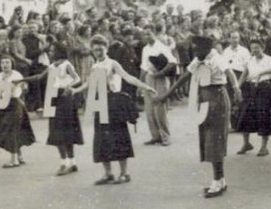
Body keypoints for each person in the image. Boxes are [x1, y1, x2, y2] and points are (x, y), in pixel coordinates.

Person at [163, 36, 236, 198]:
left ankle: (217, 181)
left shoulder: (216, 58)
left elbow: (230, 73)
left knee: (214, 140)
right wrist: (167, 95)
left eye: (197, 49)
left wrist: (237, 89)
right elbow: (185, 77)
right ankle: (221, 179)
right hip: (204, 101)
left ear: (207, 48)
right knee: (208, 140)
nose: (194, 52)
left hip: (217, 99)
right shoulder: (198, 59)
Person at [79, 35, 157, 184]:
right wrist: (74, 91)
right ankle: (108, 173)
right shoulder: (94, 66)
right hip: (99, 102)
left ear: (106, 49)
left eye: (101, 49)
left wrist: (146, 87)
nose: (98, 52)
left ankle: (124, 172)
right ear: (92, 51)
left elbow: (128, 77)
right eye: (95, 50)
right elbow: (88, 83)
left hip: (113, 102)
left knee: (119, 136)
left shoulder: (112, 64)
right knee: (101, 138)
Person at [232, 44, 271, 157]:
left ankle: (264, 147)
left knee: (264, 118)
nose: (254, 50)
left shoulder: (270, 60)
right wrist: (237, 89)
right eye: (252, 48)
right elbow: (243, 76)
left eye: (256, 48)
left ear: (263, 48)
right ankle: (246, 143)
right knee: (245, 115)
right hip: (250, 89)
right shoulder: (250, 60)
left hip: (265, 89)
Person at [41, 47, 84, 175]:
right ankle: (69, 163)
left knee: (63, 130)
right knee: (56, 130)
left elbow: (77, 78)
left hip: (64, 97)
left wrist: (68, 86)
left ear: (59, 51)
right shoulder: (51, 66)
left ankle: (67, 163)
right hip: (52, 95)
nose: (50, 52)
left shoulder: (66, 64)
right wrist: (22, 80)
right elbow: (39, 77)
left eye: (53, 50)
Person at [0, 56, 35, 168]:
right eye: (3, 62)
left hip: (14, 104)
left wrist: (22, 86)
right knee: (9, 130)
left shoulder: (16, 75)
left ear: (11, 64)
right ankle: (19, 156)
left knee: (12, 130)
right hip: (3, 105)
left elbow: (22, 87)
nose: (5, 65)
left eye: (7, 62)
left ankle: (14, 161)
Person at [140, 31, 178, 147]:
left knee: (160, 108)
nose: (147, 36)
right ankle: (155, 136)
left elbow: (173, 62)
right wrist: (140, 83)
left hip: (160, 78)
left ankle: (166, 136)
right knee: (149, 108)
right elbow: (144, 67)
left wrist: (161, 72)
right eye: (145, 35)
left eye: (149, 34)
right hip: (149, 77)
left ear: (154, 34)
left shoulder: (162, 47)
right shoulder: (145, 49)